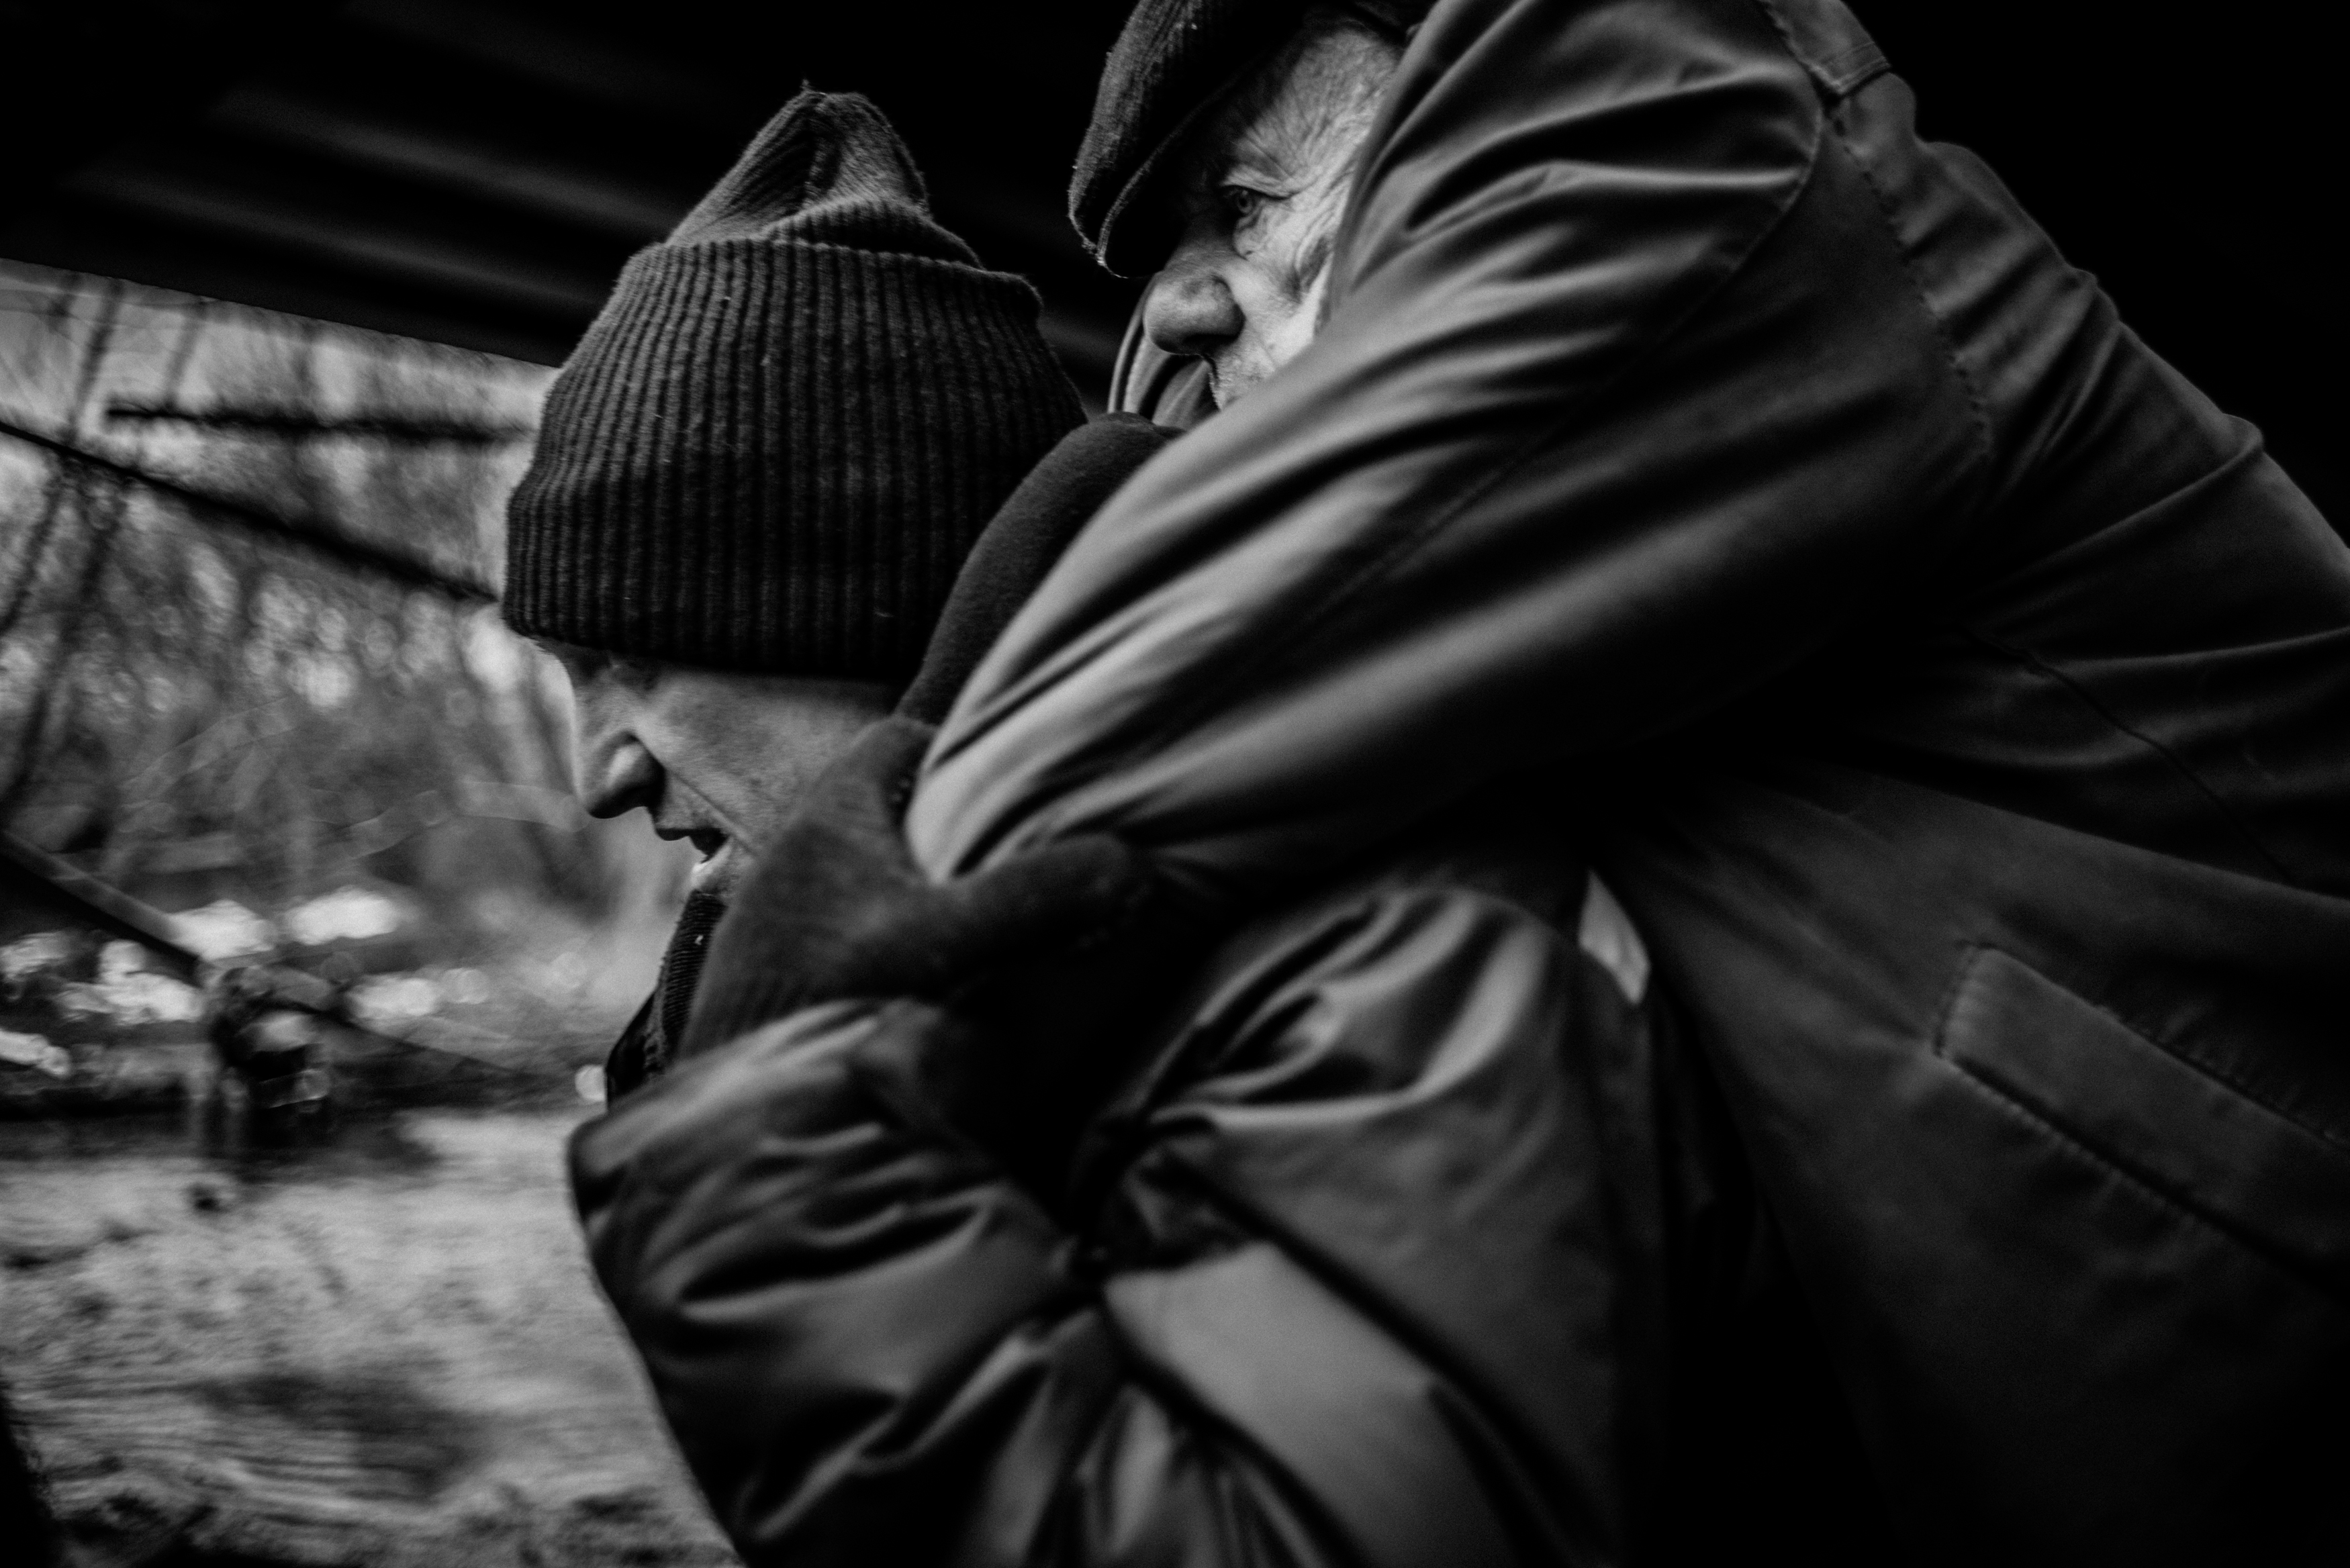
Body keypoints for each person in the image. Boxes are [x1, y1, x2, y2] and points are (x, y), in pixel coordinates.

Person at [870, 0, 2345, 1560]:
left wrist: (801, 1038)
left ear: (1475, 92)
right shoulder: (1485, 477)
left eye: (1241, 205)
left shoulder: (1740, 231)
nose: (1172, 311)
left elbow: (1082, 785)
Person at [538, 87, 1893, 1568]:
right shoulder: (968, 963)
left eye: (629, 658)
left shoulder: (1375, 921)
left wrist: (776, 1183)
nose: (598, 771)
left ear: (844, 604)